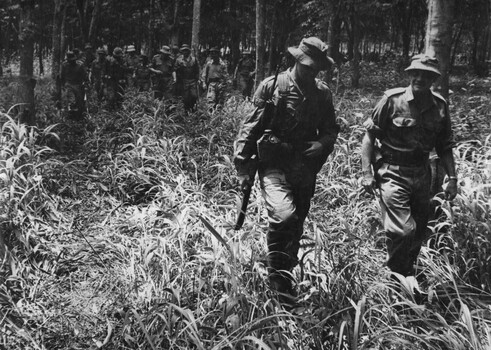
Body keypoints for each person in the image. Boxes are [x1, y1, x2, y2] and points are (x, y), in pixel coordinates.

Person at [233, 37, 339, 301]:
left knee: (296, 225)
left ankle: (284, 272)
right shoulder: (274, 87)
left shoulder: (322, 94)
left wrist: (322, 143)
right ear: (296, 60)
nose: (311, 72)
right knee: (283, 216)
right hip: (274, 164)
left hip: (304, 167)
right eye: (307, 66)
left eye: (316, 68)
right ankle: (278, 284)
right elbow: (250, 128)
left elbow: (330, 129)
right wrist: (243, 167)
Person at [360, 54, 458, 296]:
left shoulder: (440, 106)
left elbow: (445, 146)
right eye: (415, 73)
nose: (419, 78)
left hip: (423, 174)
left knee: (419, 230)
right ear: (410, 74)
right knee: (402, 230)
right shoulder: (392, 100)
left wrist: (452, 179)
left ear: (434, 79)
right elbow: (369, 137)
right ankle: (395, 278)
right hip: (392, 172)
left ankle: (406, 273)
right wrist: (366, 173)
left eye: (426, 75)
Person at [60, 51, 88, 119]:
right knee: (72, 101)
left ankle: (79, 117)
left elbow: (85, 75)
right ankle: (71, 116)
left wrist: (86, 83)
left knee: (80, 102)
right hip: (69, 84)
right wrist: (62, 85)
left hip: (78, 85)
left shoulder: (80, 65)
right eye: (70, 60)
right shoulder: (64, 65)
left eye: (73, 60)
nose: (72, 62)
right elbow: (62, 76)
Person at [175, 44, 200, 110]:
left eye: (186, 50)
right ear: (182, 52)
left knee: (194, 96)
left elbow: (197, 69)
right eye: (183, 51)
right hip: (184, 81)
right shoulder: (179, 60)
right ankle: (186, 110)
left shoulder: (194, 59)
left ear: (189, 51)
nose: (185, 52)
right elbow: (176, 70)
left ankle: (193, 109)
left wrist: (197, 78)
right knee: (185, 97)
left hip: (192, 80)